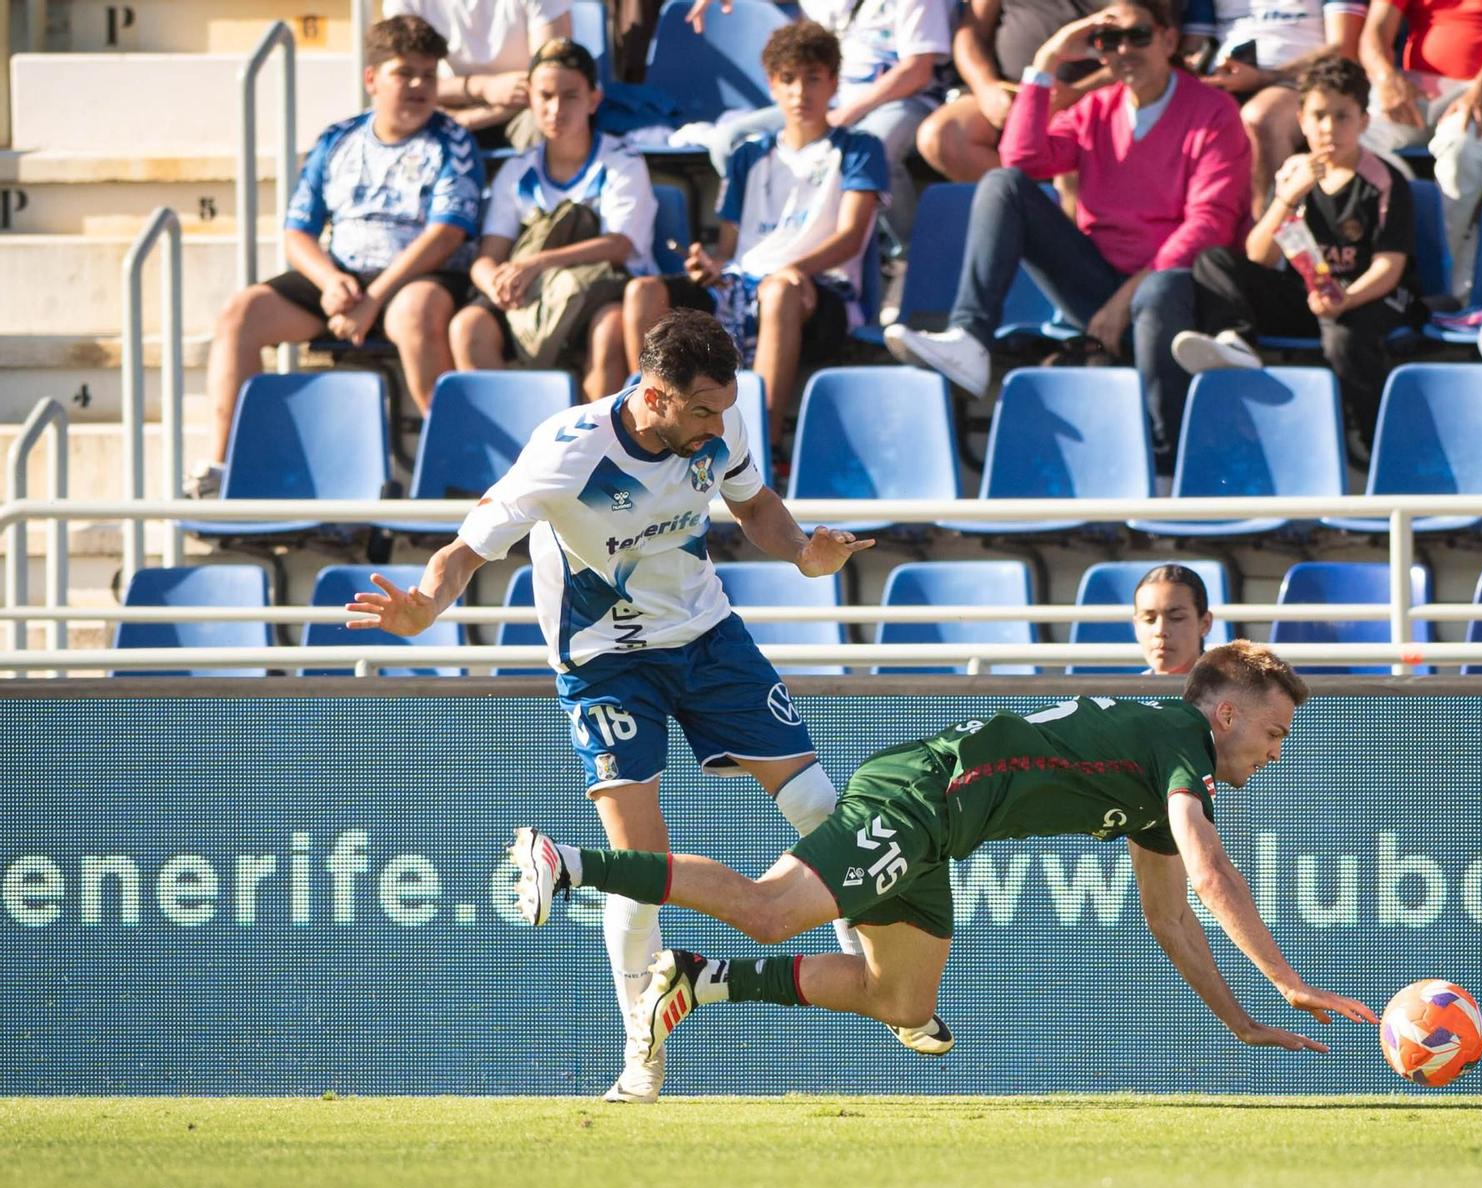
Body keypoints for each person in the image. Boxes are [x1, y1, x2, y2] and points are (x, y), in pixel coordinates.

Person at [342, 310, 947, 1103]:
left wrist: (803, 550)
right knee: (640, 869)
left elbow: (755, 503)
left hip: (707, 638)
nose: (716, 428)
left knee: (819, 803)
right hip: (605, 660)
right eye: (701, 411)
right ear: (653, 395)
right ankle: (641, 1049)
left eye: (724, 409)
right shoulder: (570, 452)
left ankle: (879, 976)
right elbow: (468, 547)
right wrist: (425, 602)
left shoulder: (714, 433)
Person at [508, 641, 1380, 1068]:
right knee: (770, 909)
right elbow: (1211, 871)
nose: (1276, 750)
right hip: (921, 796)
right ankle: (569, 862)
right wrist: (1285, 980)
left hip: (941, 831)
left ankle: (697, 980)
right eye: (1274, 730)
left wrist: (1238, 1021)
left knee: (900, 997)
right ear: (1226, 713)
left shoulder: (1162, 770)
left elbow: (1171, 913)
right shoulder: (1180, 736)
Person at [886, 0, 1252, 457]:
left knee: (1158, 293)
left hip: (1178, 288)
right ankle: (970, 339)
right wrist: (1044, 64)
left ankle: (1166, 463)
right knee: (1004, 185)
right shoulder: (1096, 106)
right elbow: (1021, 161)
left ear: (1169, 39)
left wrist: (1127, 297)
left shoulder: (1213, 111)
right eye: (1109, 41)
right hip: (1098, 282)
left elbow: (1210, 225)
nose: (1124, 50)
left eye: (1138, 35)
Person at [191, 16, 482, 499]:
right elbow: (297, 232)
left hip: (417, 277)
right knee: (241, 314)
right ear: (371, 78)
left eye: (429, 75)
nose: (418, 85)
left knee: (415, 314)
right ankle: (226, 470)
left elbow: (446, 234)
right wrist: (329, 281)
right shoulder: (337, 139)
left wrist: (375, 297)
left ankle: (453, 475)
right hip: (344, 278)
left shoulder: (453, 142)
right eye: (404, 73)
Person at [638, 20, 888, 433]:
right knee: (643, 292)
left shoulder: (860, 148)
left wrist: (794, 270)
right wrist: (712, 264)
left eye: (813, 78)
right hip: (744, 284)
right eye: (787, 79)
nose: (799, 92)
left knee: (778, 291)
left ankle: (759, 449)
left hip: (820, 292)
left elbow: (851, 238)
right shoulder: (747, 156)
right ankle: (652, 434)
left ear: (833, 83)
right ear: (772, 85)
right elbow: (732, 248)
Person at [1164, 54, 1424, 450]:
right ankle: (1237, 343)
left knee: (1344, 338)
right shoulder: (1292, 174)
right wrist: (1286, 197)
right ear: (1301, 120)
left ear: (1364, 122)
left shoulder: (1385, 180)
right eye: (1318, 116)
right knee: (1214, 262)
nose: (1328, 128)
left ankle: (1376, 442)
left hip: (1370, 298)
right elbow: (1259, 255)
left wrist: (1346, 298)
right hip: (1310, 296)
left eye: (1342, 116)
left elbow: (1390, 266)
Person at [449, 38, 661, 401]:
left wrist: (537, 263)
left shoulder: (622, 161)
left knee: (609, 328)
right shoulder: (516, 170)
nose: (556, 109)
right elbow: (489, 253)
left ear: (594, 99)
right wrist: (494, 283)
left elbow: (619, 245)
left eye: (571, 96)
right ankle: (519, 440)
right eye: (545, 96)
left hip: (601, 292)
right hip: (531, 300)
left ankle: (597, 449)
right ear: (530, 98)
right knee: (469, 326)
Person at [684, 0, 952, 243]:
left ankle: (906, 252)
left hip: (903, 101)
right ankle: (771, 240)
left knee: (871, 148)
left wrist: (847, 115)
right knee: (729, 141)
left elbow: (917, 70)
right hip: (829, 97)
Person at [1357, 0, 1482, 298]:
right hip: (1417, 88)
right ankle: (1389, 252)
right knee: (1355, 139)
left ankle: (1435, 276)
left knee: (1462, 149)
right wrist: (1385, 77)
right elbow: (1376, 29)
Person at [1186, 0, 1369, 207]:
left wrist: (1264, 76)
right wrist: (1196, 64)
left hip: (1302, 82)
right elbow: (1194, 43)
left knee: (1262, 117)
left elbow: (1343, 48)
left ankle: (1270, 231)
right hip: (1219, 81)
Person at [916, 0, 1106, 184]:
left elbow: (1133, 55)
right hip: (1006, 89)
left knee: (1075, 168)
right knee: (941, 136)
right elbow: (970, 32)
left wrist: (1077, 93)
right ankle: (1031, 204)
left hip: (1089, 101)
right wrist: (985, 87)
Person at [384, 0, 573, 148]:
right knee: (404, 118)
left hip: (525, 108)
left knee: (551, 121)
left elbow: (551, 81)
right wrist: (482, 88)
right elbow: (402, 82)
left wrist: (470, 119)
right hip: (447, 106)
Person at [1134, 563, 1215, 675]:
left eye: (1176, 618)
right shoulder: (1128, 692)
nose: (1160, 631)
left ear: (1205, 623)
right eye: (1149, 619)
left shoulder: (1234, 690)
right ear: (1136, 625)